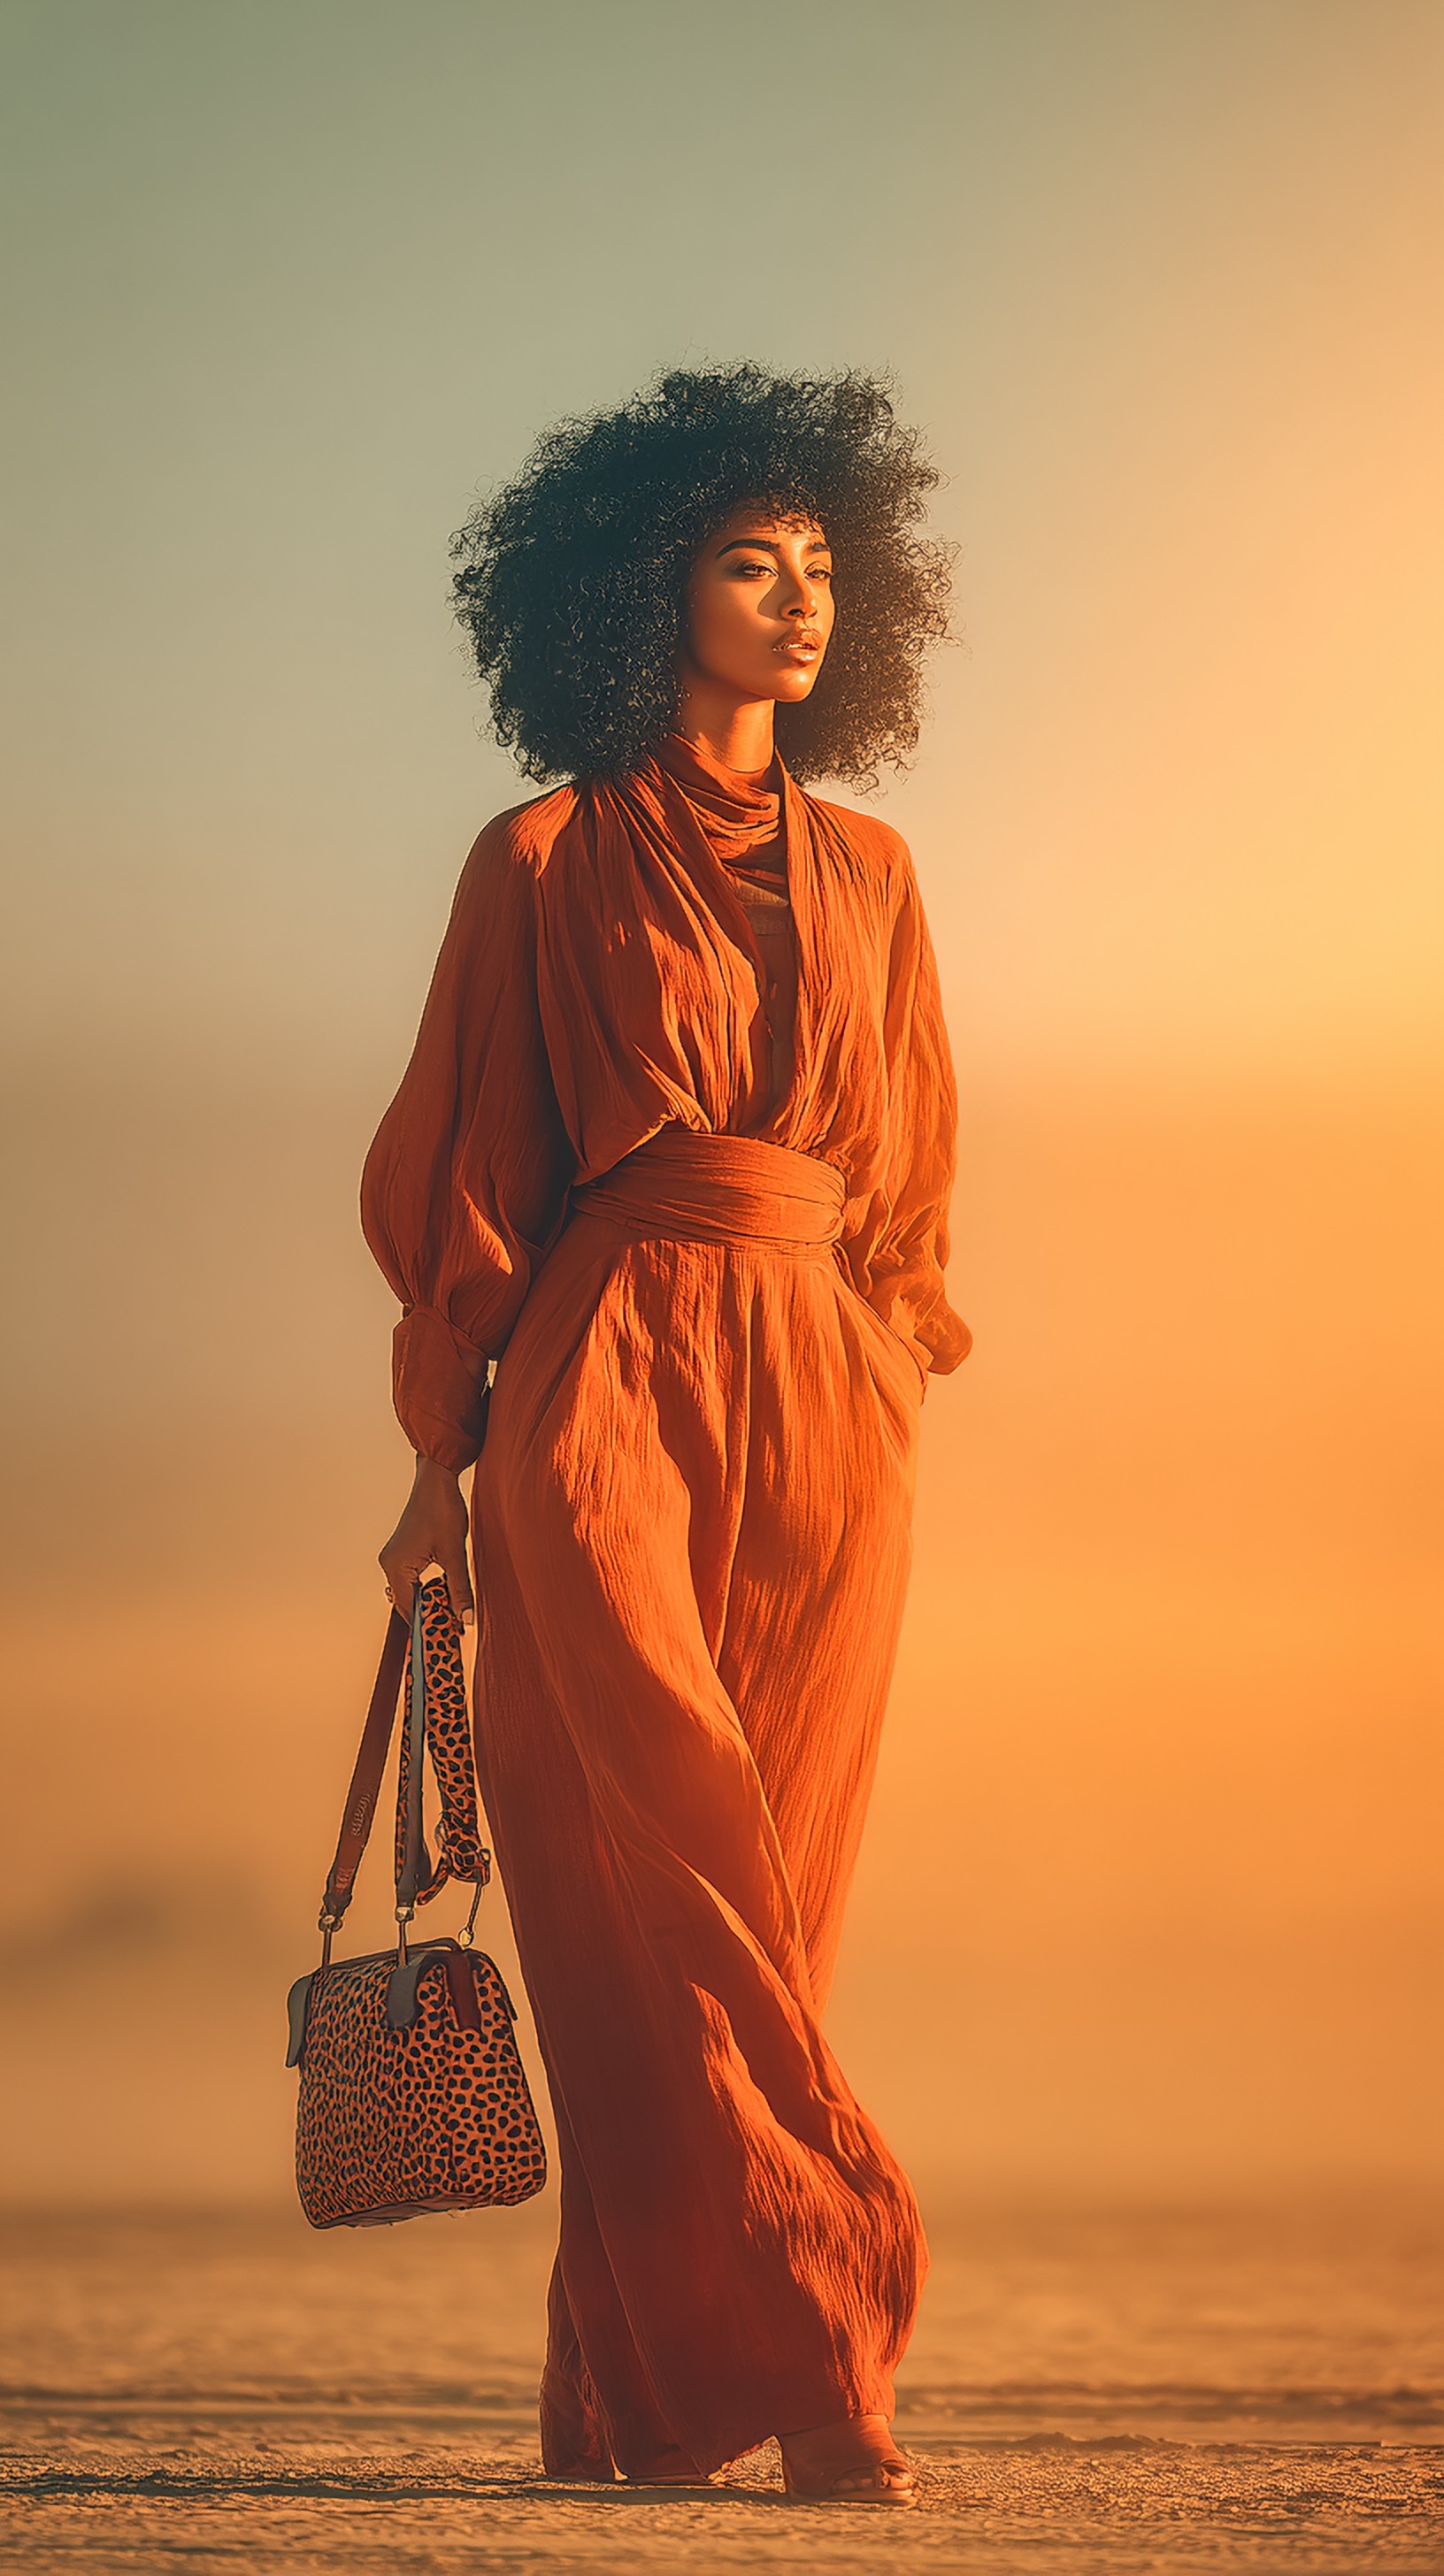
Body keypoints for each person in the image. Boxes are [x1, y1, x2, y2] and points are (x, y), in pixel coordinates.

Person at [361, 364, 970, 2503]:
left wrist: (884, 1356)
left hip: (828, 1401)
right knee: (667, 1868)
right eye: (747, 562)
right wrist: (444, 1460)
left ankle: (630, 2401)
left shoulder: (880, 875)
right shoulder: (539, 854)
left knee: (765, 1904)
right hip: (606, 1372)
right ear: (645, 589)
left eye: (821, 567)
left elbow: (909, 1180)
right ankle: (828, 2357)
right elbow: (466, 1174)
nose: (795, 603)